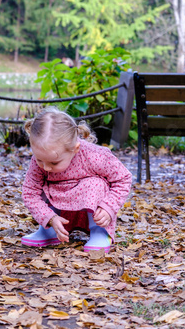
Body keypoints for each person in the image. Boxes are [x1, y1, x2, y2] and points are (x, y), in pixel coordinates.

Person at [20, 107, 132, 253]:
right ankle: (49, 231)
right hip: (58, 212)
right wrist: (50, 218)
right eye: (39, 159)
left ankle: (99, 232)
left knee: (95, 183)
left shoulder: (95, 155)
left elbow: (123, 178)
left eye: (54, 163)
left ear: (75, 148)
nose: (45, 167)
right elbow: (30, 192)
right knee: (38, 185)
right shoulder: (40, 162)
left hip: (91, 211)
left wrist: (108, 207)